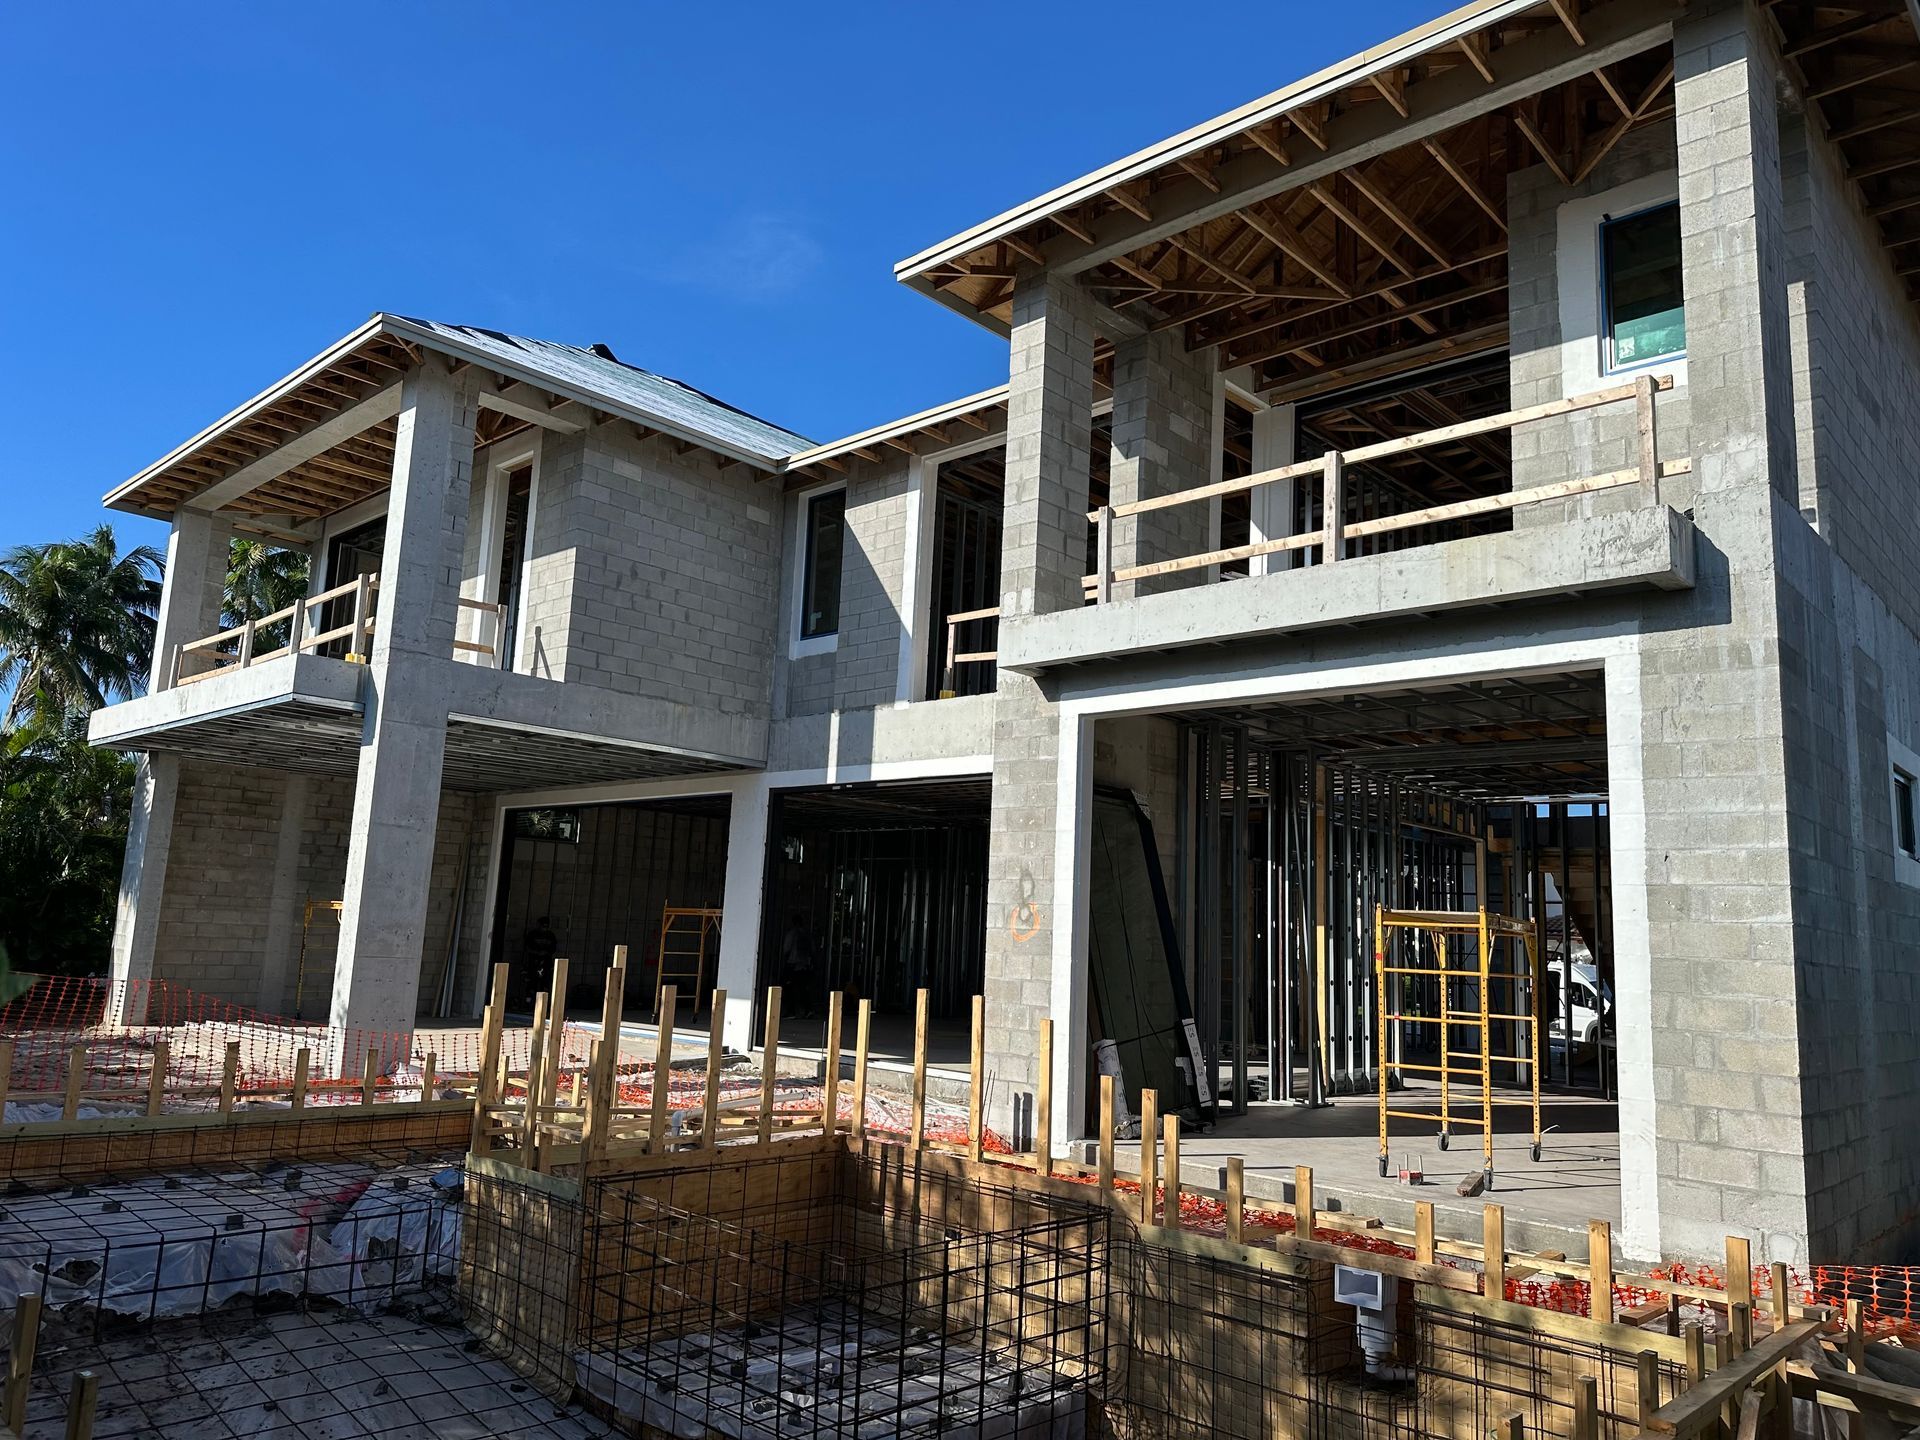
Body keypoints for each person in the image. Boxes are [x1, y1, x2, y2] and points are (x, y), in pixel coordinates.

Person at [779, 917, 819, 1020]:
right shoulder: (807, 934)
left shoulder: (792, 934)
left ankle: (791, 1011)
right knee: (804, 989)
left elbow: (786, 949)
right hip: (806, 965)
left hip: (793, 965)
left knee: (791, 988)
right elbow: (813, 950)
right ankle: (808, 1010)